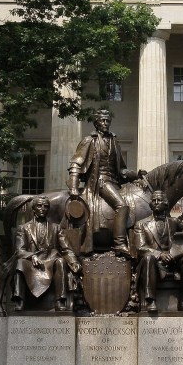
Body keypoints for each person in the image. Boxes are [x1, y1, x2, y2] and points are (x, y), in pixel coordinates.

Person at [68, 109, 141, 256]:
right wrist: (74, 186)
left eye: (108, 121)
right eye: (102, 120)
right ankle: (119, 243)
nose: (105, 123)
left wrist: (137, 175)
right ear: (96, 123)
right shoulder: (89, 141)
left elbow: (122, 170)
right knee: (122, 205)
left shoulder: (114, 142)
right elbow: (76, 164)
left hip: (114, 182)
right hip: (100, 182)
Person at [0, 196, 80, 313]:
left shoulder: (56, 228)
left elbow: (66, 249)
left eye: (46, 206)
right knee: (20, 263)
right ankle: (20, 300)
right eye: (39, 206)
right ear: (33, 209)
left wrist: (74, 262)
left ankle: (60, 301)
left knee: (61, 261)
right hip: (31, 262)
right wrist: (31, 256)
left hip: (50, 259)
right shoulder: (23, 228)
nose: (43, 208)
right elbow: (19, 250)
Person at [135, 190, 183, 312]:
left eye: (159, 200)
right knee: (149, 258)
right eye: (153, 200)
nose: (156, 202)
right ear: (150, 204)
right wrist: (160, 254)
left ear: (166, 204)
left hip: (173, 263)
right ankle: (151, 301)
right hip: (153, 263)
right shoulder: (141, 224)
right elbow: (140, 247)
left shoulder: (174, 221)